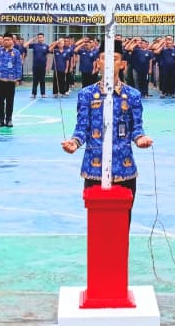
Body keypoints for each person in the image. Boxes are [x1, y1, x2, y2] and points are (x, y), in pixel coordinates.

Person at [61, 41, 153, 206]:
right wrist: (74, 143)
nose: (110, 62)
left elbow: (136, 127)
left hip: (124, 169)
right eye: (105, 58)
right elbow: (82, 128)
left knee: (123, 222)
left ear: (123, 64)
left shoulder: (133, 95)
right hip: (94, 168)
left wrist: (140, 139)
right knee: (98, 223)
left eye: (115, 58)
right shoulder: (86, 95)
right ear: (98, 63)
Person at [0, 33, 24, 127]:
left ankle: (9, 119)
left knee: (10, 101)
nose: (6, 41)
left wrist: (18, 79)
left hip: (11, 80)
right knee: (0, 101)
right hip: (0, 78)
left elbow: (18, 66)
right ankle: (1, 120)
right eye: (4, 39)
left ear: (12, 41)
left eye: (8, 39)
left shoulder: (16, 52)